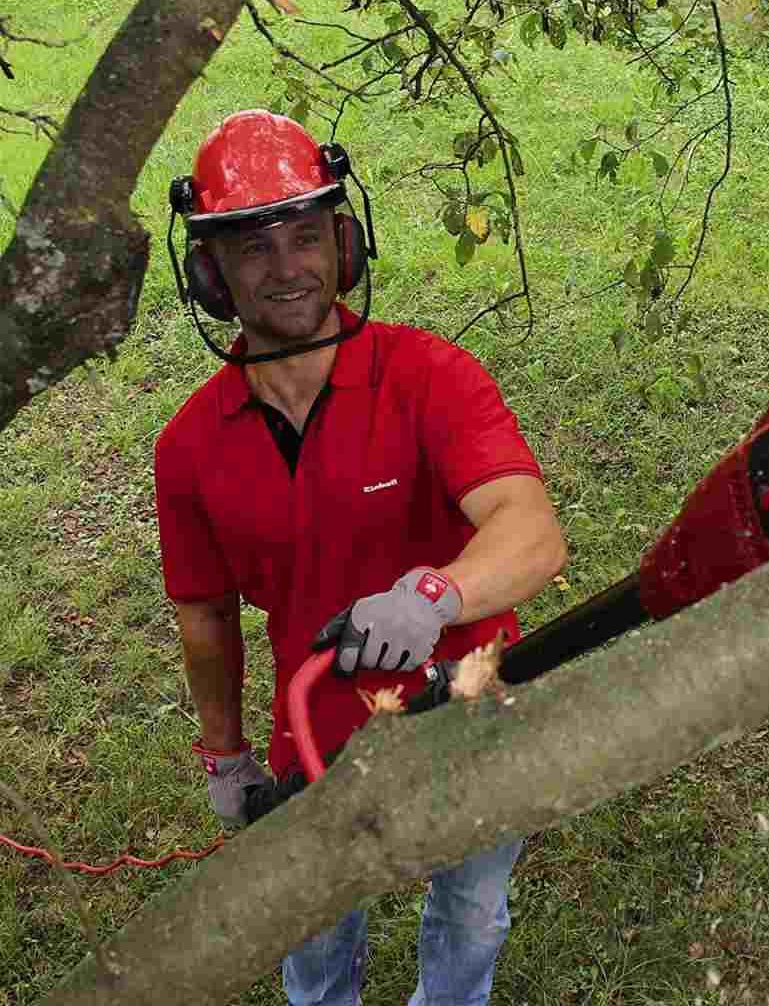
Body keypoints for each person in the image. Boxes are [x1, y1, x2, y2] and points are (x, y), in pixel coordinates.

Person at [153, 109, 566, 1006]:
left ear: (346, 244)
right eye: (252, 248)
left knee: (472, 912)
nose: (287, 267)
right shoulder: (188, 446)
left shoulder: (430, 376)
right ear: (209, 273)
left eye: (307, 236)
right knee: (309, 925)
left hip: (470, 709)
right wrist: (225, 758)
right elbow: (205, 614)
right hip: (315, 736)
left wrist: (433, 596)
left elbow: (531, 531)